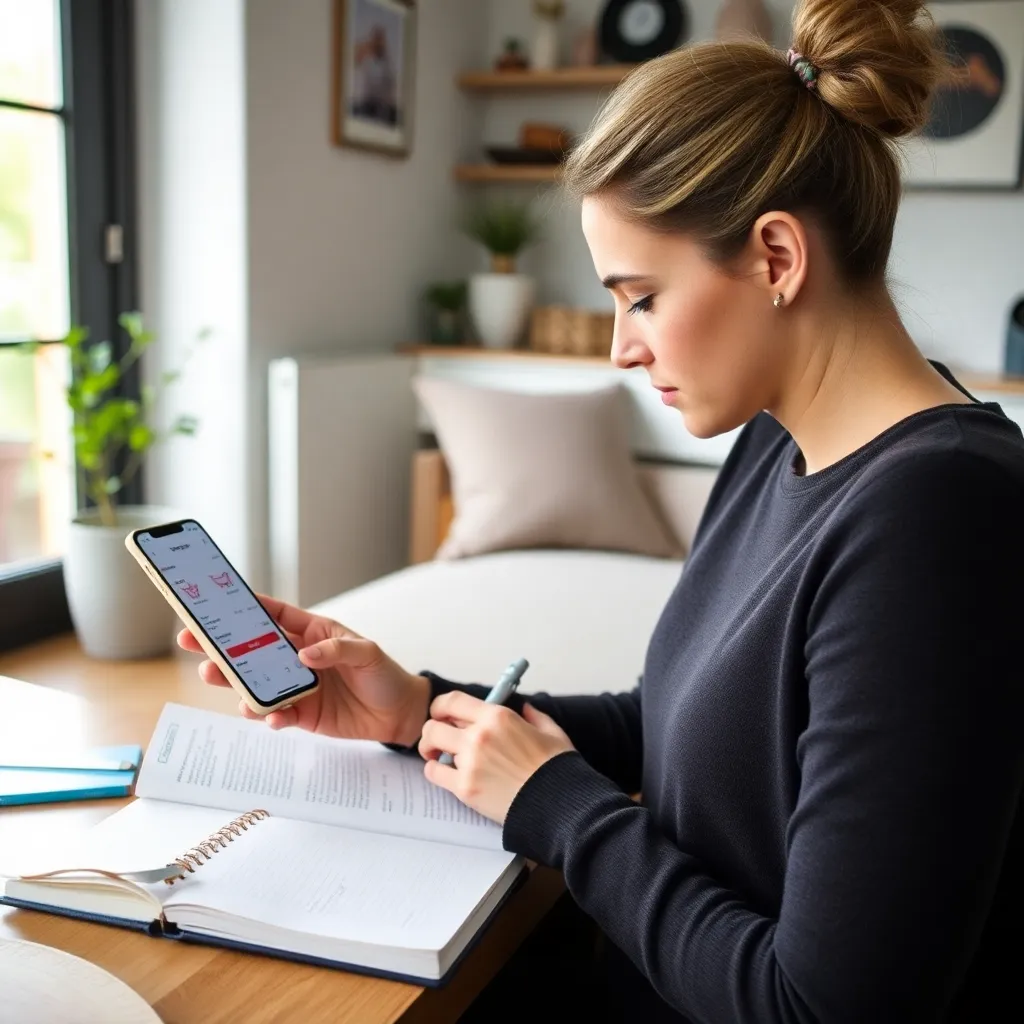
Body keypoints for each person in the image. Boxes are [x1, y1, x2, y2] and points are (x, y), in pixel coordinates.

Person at [180, 0, 1024, 1019]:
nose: (622, 345)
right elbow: (675, 725)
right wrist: (418, 708)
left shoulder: (939, 518)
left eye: (641, 296)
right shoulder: (776, 438)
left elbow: (820, 1005)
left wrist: (558, 810)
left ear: (776, 258)